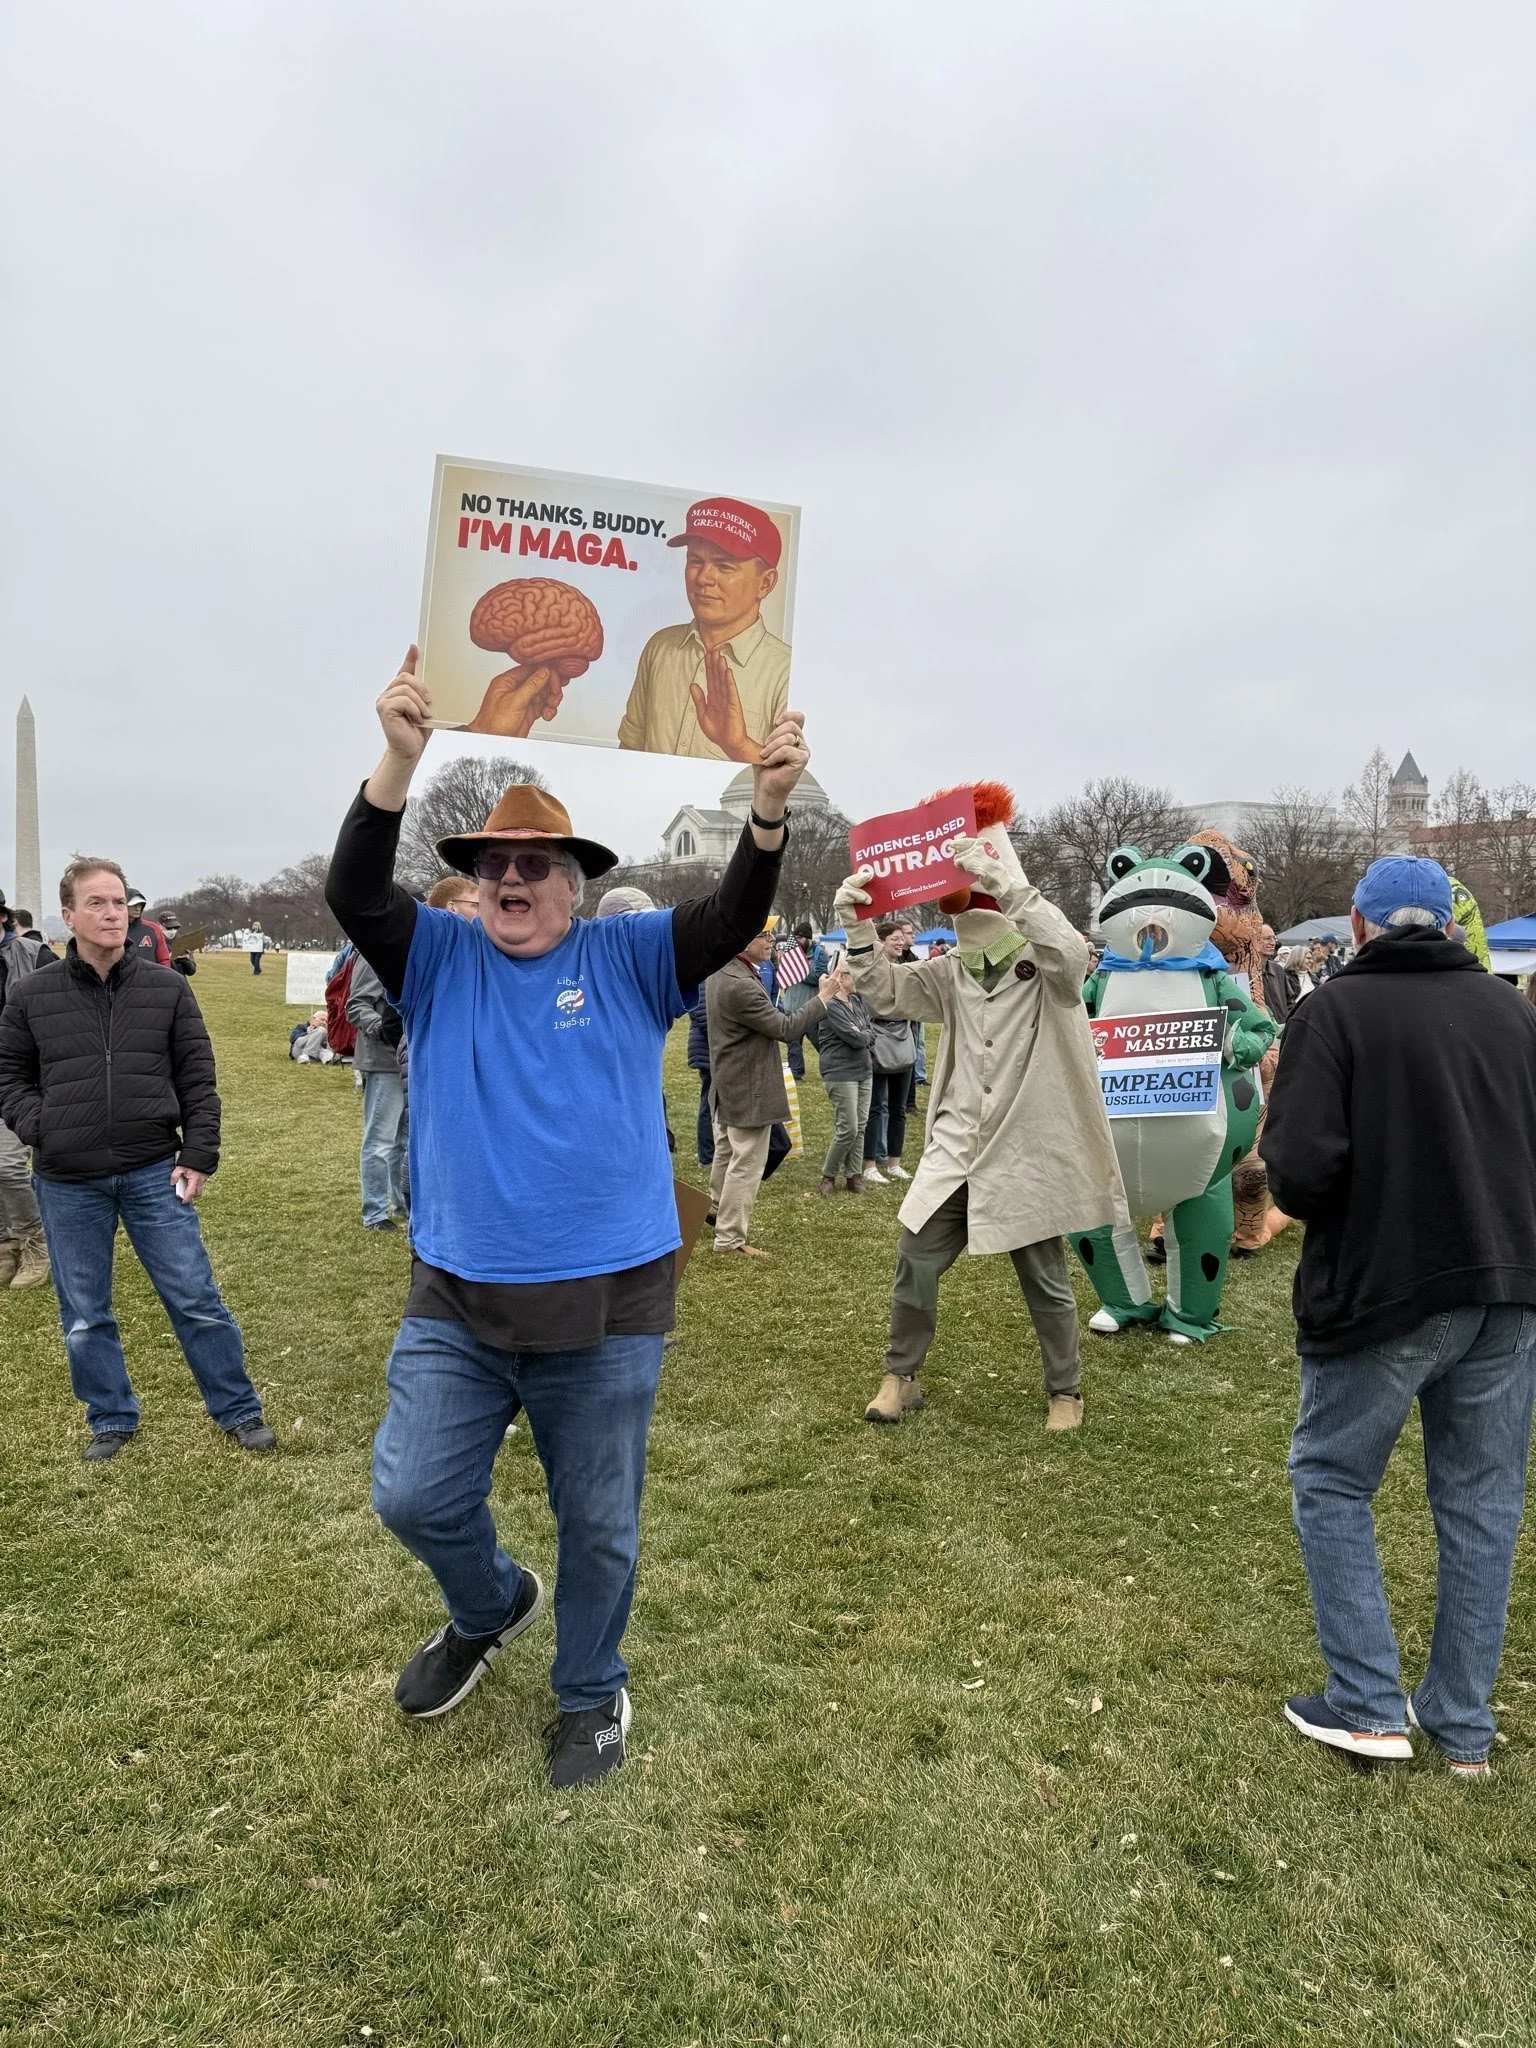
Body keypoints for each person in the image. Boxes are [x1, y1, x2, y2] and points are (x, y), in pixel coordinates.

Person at [323, 643, 811, 1789]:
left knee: (598, 1520)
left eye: (536, 863)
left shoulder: (632, 953)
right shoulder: (440, 954)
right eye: (496, 860)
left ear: (573, 882)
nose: (512, 876)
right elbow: (353, 893)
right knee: (412, 1489)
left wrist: (771, 809)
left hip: (611, 1298)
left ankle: (591, 1687)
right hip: (458, 1291)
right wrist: (396, 763)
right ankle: (491, 1603)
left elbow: (736, 907)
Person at [1261, 856, 1536, 1776]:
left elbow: (1297, 1171)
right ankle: (1462, 1726)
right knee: (1482, 1503)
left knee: (1333, 1479)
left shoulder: (1331, 1012)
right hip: (1507, 1287)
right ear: (1451, 925)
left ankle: (1372, 1704)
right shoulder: (1512, 1013)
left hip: (1386, 1289)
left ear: (1359, 924)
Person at [839, 782, 1125, 1432]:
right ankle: (900, 1376)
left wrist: (1013, 884)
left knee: (1045, 1279)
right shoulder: (950, 971)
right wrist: (859, 924)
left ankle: (1066, 1391)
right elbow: (884, 993)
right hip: (956, 1149)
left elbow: (1073, 956)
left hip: (1026, 1149)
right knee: (915, 1262)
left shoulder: (1045, 966)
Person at [0, 858, 275, 1461]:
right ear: (67, 916)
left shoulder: (168, 988)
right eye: (95, 903)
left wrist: (199, 1152)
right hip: (68, 1180)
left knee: (195, 1298)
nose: (111, 913)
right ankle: (112, 1417)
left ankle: (238, 1409)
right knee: (84, 1312)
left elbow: (199, 1080)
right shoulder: (29, 995)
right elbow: (9, 1077)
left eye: (118, 902)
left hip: (154, 1169)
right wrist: (42, 1127)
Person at [616, 498, 790, 763]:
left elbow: (788, 782)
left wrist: (740, 746)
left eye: (724, 566)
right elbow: (629, 748)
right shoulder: (660, 648)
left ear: (765, 583)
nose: (703, 578)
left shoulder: (785, 672)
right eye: (695, 561)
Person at [705, 928, 827, 1255]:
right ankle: (730, 1240)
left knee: (728, 1154)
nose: (772, 941)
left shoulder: (724, 971)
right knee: (746, 1164)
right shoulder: (740, 983)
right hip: (748, 1087)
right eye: (765, 935)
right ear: (744, 941)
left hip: (730, 1082)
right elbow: (785, 1029)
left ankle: (716, 1209)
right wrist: (824, 998)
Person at [0, 899, 53, 1289]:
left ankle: (35, 1241)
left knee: (7, 1166)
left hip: (18, 1079)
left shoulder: (35, 955)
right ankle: (6, 1245)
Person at [347, 951, 408, 1231]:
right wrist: (381, 1028)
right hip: (383, 1059)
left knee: (404, 1140)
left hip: (410, 1059)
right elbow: (356, 1004)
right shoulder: (375, 953)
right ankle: (375, 1212)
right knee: (381, 1139)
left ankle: (402, 1203)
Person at [861, 924, 917, 1185]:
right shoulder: (872, 971)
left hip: (903, 1040)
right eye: (894, 939)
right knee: (875, 1106)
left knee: (898, 1108)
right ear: (880, 942)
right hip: (879, 1042)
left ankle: (894, 1162)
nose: (899, 942)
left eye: (901, 939)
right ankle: (870, 1164)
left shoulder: (906, 969)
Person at [814, 965, 874, 1195]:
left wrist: (862, 1033)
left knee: (860, 1126)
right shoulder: (831, 1006)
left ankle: (854, 1176)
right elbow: (856, 1038)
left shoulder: (857, 1001)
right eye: (852, 974)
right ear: (839, 977)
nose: (858, 979)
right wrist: (862, 1034)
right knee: (848, 1127)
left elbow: (869, 1032)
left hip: (863, 1070)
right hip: (840, 1071)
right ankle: (828, 1175)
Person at [685, 985, 714, 1167]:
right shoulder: (707, 976)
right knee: (709, 1103)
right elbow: (703, 1015)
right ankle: (707, 1156)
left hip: (715, 1048)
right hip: (708, 1049)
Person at [1262, 924, 1298, 1023]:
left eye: (1274, 938)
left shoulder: (1278, 970)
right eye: (1267, 938)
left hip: (1283, 1030)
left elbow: (1290, 1001)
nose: (1273, 942)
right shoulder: (1244, 973)